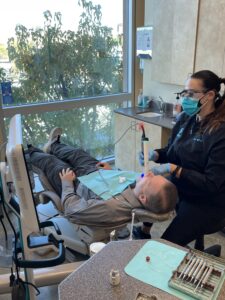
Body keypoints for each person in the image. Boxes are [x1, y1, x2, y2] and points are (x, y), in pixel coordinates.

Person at [136, 70, 225, 246]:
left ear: (210, 95)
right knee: (153, 189)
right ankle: (143, 231)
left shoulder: (220, 133)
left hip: (207, 202)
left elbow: (212, 184)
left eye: (191, 94)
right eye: (185, 93)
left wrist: (173, 169)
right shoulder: (186, 118)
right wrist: (155, 154)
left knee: (166, 246)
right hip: (182, 187)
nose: (186, 98)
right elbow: (172, 151)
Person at [27, 128, 177, 227]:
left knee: (51, 163)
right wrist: (112, 172)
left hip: (76, 185)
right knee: (77, 153)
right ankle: (53, 146)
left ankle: (27, 152)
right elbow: (122, 180)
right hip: (96, 174)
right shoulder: (137, 189)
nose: (149, 173)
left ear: (143, 198)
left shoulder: (112, 207)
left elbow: (72, 210)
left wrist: (67, 184)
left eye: (150, 179)